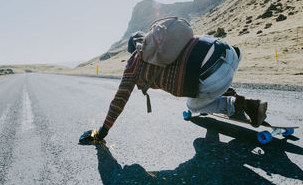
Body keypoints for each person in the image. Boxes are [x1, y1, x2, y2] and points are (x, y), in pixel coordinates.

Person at [81, 32, 267, 142]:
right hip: (229, 53)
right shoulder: (167, 40)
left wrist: (102, 132)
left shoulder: (134, 62)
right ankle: (223, 90)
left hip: (215, 78)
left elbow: (119, 100)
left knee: (192, 106)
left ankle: (237, 105)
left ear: (133, 50)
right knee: (207, 73)